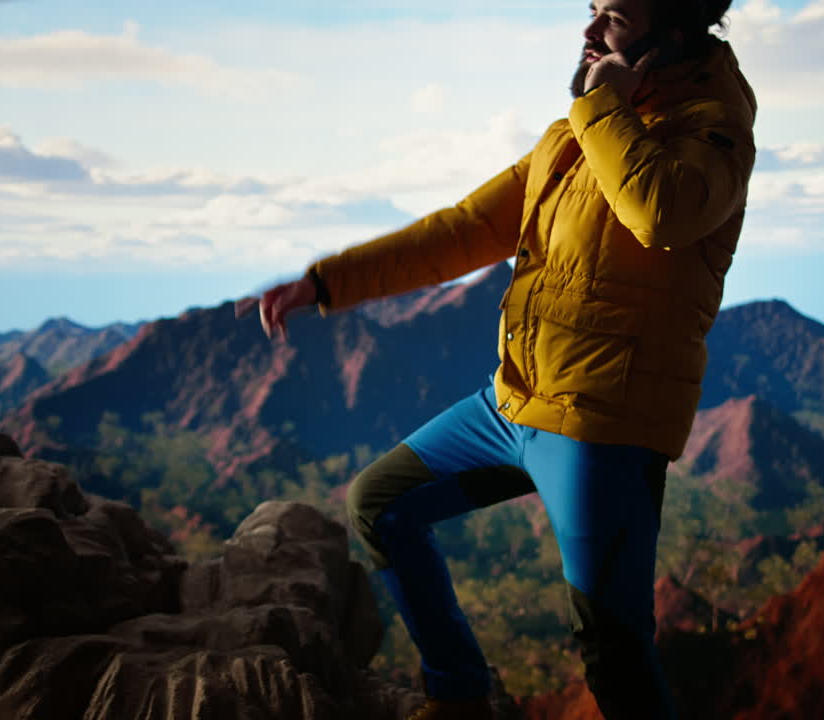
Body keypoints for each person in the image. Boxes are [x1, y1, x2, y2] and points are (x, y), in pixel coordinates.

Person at [237, 0, 755, 717]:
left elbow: (660, 213)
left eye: (615, 16)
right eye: (591, 10)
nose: (589, 32)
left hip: (601, 426)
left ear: (674, 24)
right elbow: (466, 229)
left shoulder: (710, 129)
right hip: (512, 403)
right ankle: (459, 695)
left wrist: (604, 106)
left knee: (614, 652)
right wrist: (326, 282)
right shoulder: (574, 136)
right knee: (381, 504)